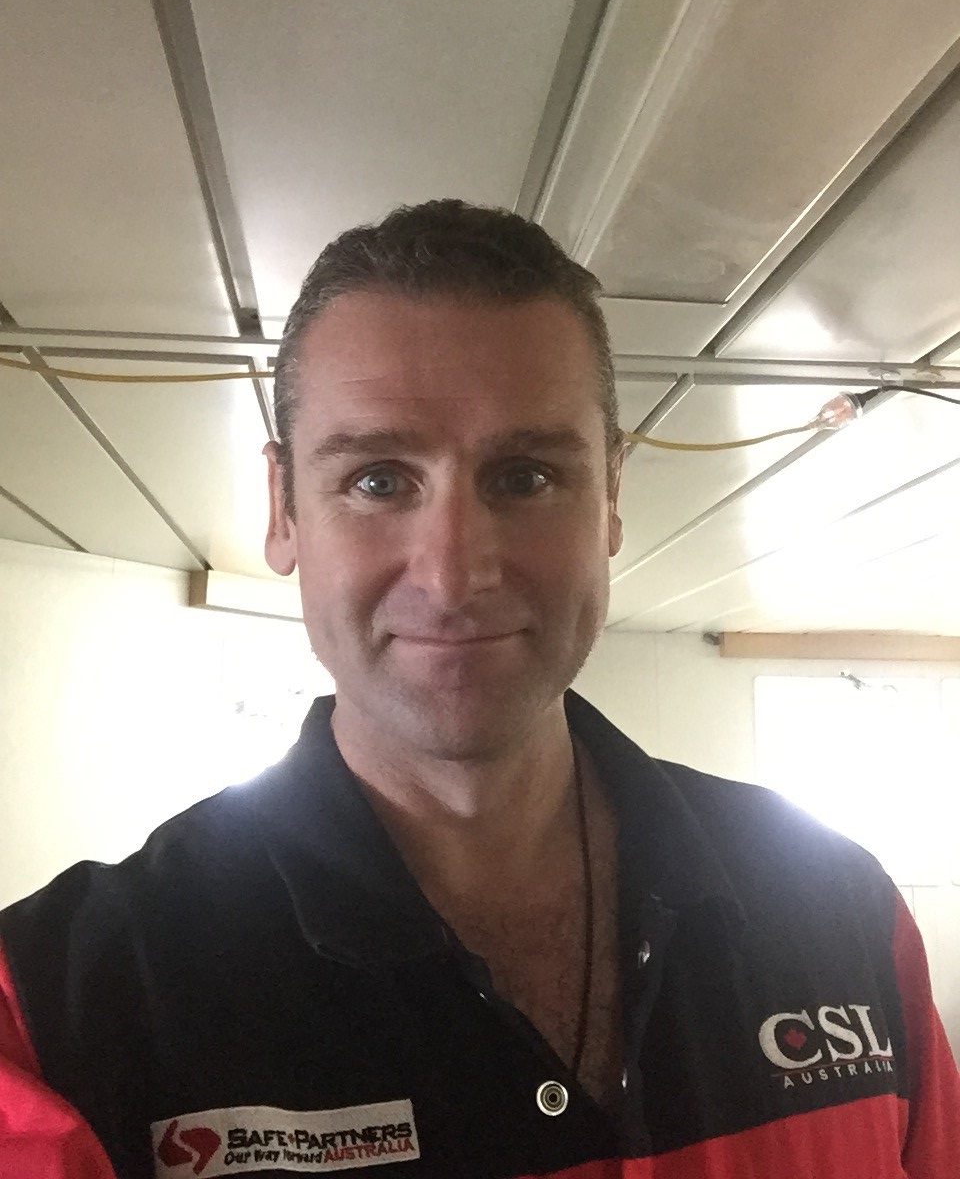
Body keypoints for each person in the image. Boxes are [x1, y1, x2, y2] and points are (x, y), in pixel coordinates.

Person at [0, 200, 957, 1179]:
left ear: (611, 498)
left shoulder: (845, 911)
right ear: (285, 508)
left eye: (527, 475)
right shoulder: (57, 1012)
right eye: (378, 479)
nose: (454, 575)